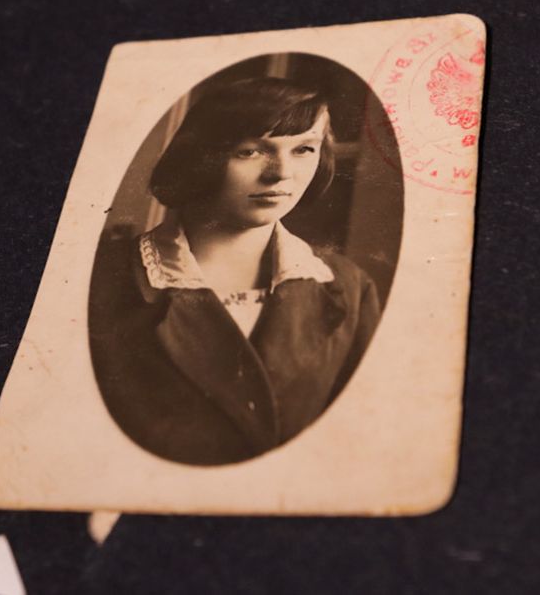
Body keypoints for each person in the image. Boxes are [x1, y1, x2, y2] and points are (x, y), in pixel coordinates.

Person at [89, 76, 382, 466]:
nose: (281, 173)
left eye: (303, 149)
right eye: (250, 151)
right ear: (202, 156)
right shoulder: (103, 280)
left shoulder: (349, 286)